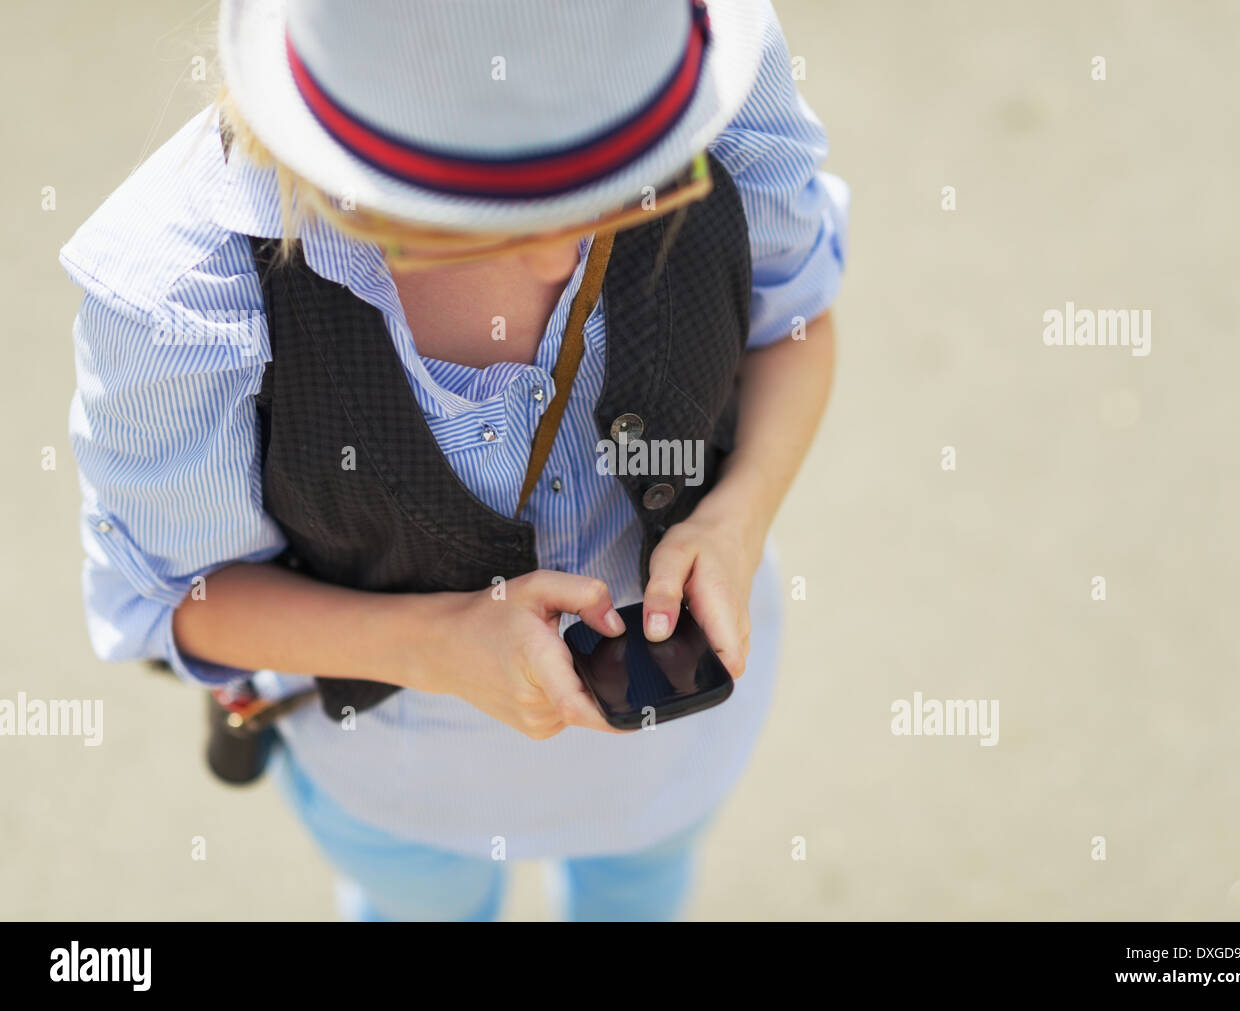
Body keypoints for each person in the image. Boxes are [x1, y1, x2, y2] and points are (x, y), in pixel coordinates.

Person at [61, 0, 847, 921]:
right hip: (401, 787)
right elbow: (174, 600)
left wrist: (735, 515)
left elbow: (797, 323)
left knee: (642, 889)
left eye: (627, 184)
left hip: (669, 755)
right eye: (475, 223)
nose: (562, 246)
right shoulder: (179, 298)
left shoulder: (715, 79)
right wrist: (436, 643)